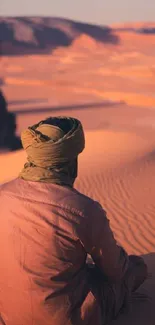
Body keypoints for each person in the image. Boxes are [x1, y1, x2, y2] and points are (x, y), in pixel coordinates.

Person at [0, 116, 148, 325]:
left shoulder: (2, 194)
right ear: (71, 161)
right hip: (65, 318)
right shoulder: (83, 209)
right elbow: (115, 270)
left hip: (10, 316)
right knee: (136, 267)